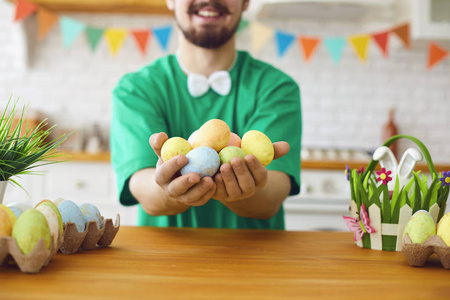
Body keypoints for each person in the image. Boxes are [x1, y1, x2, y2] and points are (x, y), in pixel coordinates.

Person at [111, 0, 302, 229]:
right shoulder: (136, 89)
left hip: (255, 258)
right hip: (165, 260)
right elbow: (144, 189)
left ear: (246, 2)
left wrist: (251, 188)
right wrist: (169, 189)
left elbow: (272, 196)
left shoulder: (277, 87)